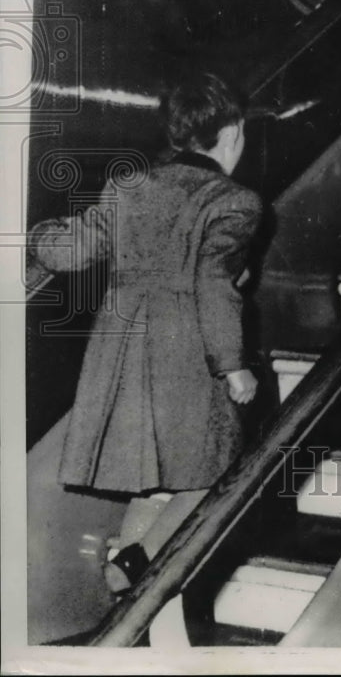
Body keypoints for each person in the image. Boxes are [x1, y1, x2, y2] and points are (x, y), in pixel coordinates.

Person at [28, 72, 262, 593]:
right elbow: (212, 282)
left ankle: (125, 582)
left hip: (122, 348)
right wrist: (233, 364)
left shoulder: (128, 186)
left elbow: (71, 251)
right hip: (183, 352)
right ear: (230, 134)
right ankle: (139, 565)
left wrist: (35, 235)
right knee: (220, 472)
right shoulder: (235, 199)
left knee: (155, 468)